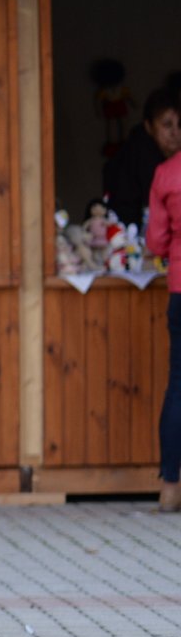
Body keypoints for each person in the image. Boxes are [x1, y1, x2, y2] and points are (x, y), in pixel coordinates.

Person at [147, 150, 181, 512]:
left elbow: (155, 242)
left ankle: (171, 489)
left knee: (179, 386)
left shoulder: (167, 173)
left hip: (180, 290)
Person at [103, 84, 181, 230]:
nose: (175, 133)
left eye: (180, 125)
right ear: (149, 126)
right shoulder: (137, 155)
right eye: (167, 125)